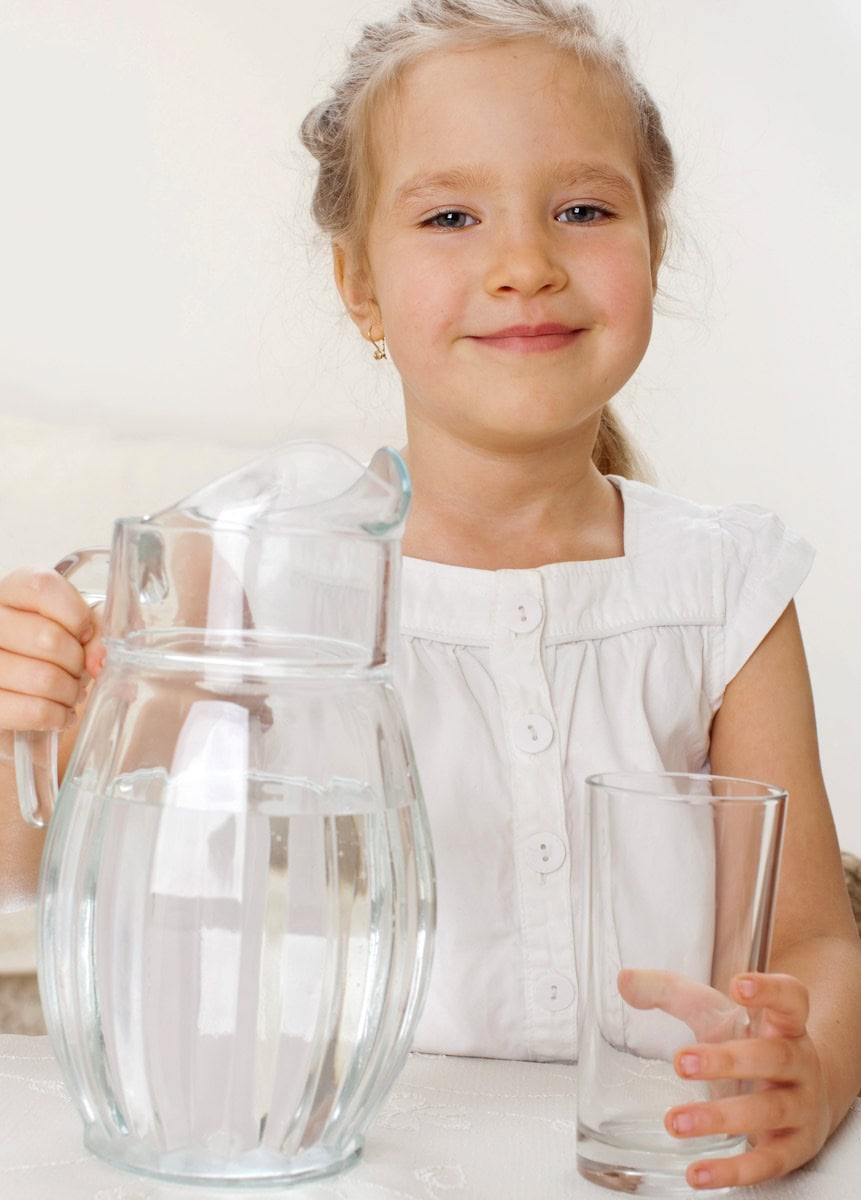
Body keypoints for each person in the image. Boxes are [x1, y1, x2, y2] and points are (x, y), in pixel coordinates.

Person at [1, 0, 859, 1189]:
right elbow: (41, 858)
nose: (525, 264)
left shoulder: (724, 587)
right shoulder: (255, 559)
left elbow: (812, 933)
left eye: (585, 210)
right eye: (452, 216)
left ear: (653, 248)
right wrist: (26, 718)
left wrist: (806, 1073)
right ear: (360, 286)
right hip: (331, 1158)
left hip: (642, 1161)